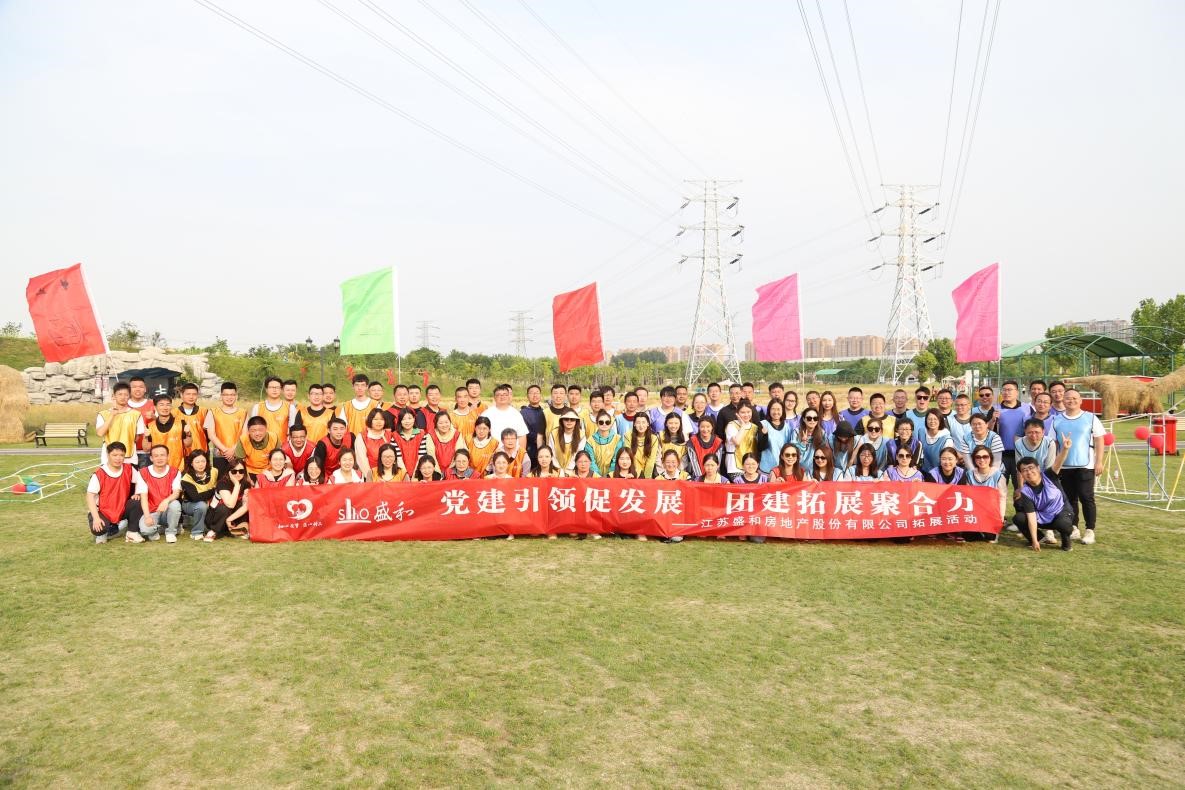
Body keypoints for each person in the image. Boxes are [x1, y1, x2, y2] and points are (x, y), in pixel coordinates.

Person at [1052, 388, 1105, 545]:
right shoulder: (1057, 420)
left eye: (1075, 398)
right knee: (1069, 499)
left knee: (1086, 497)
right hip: (1064, 466)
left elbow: (1099, 440)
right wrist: (1054, 465)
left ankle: (1090, 530)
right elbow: (1053, 443)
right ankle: (1073, 527)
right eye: (1068, 398)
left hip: (1086, 465)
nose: (1071, 401)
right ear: (1063, 400)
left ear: (1081, 400)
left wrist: (1099, 461)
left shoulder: (1091, 418)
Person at [1014, 451, 1075, 552]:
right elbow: (1031, 516)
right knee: (1019, 518)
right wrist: (1034, 540)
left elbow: (1058, 462)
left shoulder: (1049, 475)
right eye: (1024, 470)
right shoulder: (1025, 491)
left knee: (1063, 524)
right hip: (1042, 517)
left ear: (1038, 468)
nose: (1029, 472)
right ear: (1021, 474)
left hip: (1060, 513)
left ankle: (1066, 541)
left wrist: (1065, 448)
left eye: (1031, 468)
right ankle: (1039, 539)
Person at [86, 441, 135, 543]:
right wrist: (96, 518)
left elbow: (141, 484)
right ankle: (104, 530)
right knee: (99, 529)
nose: (118, 458)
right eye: (115, 455)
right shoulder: (99, 473)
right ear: (108, 455)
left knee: (137, 502)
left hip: (121, 508)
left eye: (121, 455)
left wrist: (137, 493)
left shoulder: (129, 468)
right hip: (103, 510)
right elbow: (90, 496)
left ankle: (129, 528)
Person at [133, 445, 183, 543]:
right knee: (145, 530)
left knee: (175, 504)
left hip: (167, 510)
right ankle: (158, 529)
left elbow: (176, 493)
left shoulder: (175, 472)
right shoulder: (143, 472)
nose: (159, 458)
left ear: (168, 457)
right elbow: (144, 497)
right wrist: (147, 516)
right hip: (152, 511)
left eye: (162, 455)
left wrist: (166, 501)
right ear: (151, 458)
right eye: (156, 456)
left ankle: (171, 532)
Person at [96, 381, 147, 468]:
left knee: (130, 477)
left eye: (126, 395)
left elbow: (137, 437)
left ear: (129, 396)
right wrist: (112, 415)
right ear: (113, 396)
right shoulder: (103, 414)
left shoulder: (136, 414)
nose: (123, 397)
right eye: (120, 394)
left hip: (130, 458)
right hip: (108, 457)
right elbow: (100, 433)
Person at [996, 380, 1033, 488]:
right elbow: (988, 430)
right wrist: (993, 420)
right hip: (1002, 455)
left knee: (1022, 488)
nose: (1006, 392)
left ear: (1017, 392)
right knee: (1000, 487)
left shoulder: (1027, 408)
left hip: (1022, 454)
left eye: (1009, 390)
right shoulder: (995, 408)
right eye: (1004, 390)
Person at [204, 382, 247, 475]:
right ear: (221, 396)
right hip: (219, 454)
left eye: (232, 395)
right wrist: (225, 450)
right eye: (226, 395)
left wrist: (233, 450)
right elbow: (211, 435)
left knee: (239, 479)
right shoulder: (213, 412)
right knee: (221, 480)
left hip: (238, 453)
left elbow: (245, 434)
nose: (229, 397)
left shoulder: (243, 413)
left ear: (236, 396)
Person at [967, 445, 1008, 537]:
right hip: (975, 511)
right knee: (969, 536)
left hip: (992, 512)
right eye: (978, 457)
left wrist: (1001, 516)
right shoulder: (969, 474)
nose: (981, 460)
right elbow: (967, 497)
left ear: (990, 458)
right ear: (974, 459)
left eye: (985, 457)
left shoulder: (998, 475)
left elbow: (1002, 497)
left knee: (990, 538)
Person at [203, 461, 251, 540]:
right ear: (229, 472)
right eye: (234, 471)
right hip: (214, 517)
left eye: (241, 471)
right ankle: (213, 530)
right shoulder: (222, 483)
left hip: (230, 517)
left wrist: (230, 519)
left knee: (244, 503)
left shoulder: (245, 483)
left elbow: (247, 505)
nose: (238, 474)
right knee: (224, 507)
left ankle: (238, 528)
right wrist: (236, 485)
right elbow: (230, 504)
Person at [179, 450, 218, 540]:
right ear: (191, 463)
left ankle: (217, 529)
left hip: (211, 501)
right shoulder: (186, 477)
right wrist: (213, 490)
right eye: (197, 462)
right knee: (201, 505)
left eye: (203, 461)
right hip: (190, 504)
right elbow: (196, 497)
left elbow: (220, 487)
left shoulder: (214, 471)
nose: (200, 464)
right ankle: (197, 532)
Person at [146, 393, 188, 471]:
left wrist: (188, 434)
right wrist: (146, 437)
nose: (165, 408)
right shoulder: (150, 426)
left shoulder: (181, 423)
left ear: (171, 406)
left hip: (179, 467)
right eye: (161, 405)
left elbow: (188, 444)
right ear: (155, 407)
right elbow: (146, 449)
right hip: (158, 468)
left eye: (168, 405)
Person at [250, 376, 295, 443]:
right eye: (271, 387)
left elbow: (293, 431)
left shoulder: (290, 407)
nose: (274, 390)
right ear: (266, 389)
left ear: (281, 389)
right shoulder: (258, 407)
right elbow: (253, 430)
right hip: (262, 446)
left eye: (277, 387)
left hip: (282, 446)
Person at [485, 384, 529, 448]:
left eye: (505, 394)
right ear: (494, 397)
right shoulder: (486, 414)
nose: (502, 397)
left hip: (513, 452)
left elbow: (522, 435)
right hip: (491, 451)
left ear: (508, 396)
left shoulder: (516, 414)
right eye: (499, 395)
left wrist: (521, 453)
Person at [390, 408, 431, 476]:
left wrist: (415, 475)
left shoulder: (421, 434)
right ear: (400, 421)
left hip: (419, 471)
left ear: (414, 419)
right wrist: (405, 475)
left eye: (409, 418)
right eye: (404, 419)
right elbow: (398, 459)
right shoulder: (395, 435)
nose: (407, 421)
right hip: (400, 472)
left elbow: (421, 456)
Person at [126, 376, 156, 467]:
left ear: (145, 389)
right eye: (134, 387)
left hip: (148, 451)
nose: (137, 389)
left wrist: (154, 417)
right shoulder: (123, 405)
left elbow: (164, 424)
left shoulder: (153, 405)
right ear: (129, 389)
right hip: (128, 451)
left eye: (141, 387)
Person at [758, 399, 793, 474]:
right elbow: (760, 447)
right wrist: (765, 435)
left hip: (783, 468)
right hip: (766, 469)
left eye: (778, 409)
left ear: (783, 410)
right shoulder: (763, 424)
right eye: (773, 409)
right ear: (769, 410)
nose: (776, 412)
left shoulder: (787, 427)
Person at [724, 402, 759, 476]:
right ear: (737, 413)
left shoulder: (755, 427)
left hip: (750, 466)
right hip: (734, 466)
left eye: (748, 412)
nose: (746, 415)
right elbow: (737, 442)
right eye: (743, 412)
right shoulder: (731, 425)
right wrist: (743, 426)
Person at [175, 382, 209, 457]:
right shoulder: (174, 413)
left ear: (197, 395)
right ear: (181, 395)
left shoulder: (204, 411)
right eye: (188, 394)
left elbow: (209, 434)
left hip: (201, 452)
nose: (191, 397)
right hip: (181, 454)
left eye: (194, 394)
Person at [584, 410, 623, 476]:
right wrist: (598, 476)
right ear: (597, 423)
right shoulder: (590, 441)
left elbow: (616, 460)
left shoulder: (618, 439)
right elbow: (591, 461)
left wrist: (609, 476)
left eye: (607, 422)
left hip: (613, 475)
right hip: (594, 476)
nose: (604, 424)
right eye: (601, 422)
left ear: (610, 424)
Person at [355, 408, 393, 476]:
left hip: (389, 475)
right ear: (370, 420)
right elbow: (362, 460)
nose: (379, 422)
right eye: (375, 419)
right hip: (369, 475)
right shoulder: (362, 437)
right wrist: (371, 476)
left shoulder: (390, 435)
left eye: (382, 419)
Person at [918, 409, 954, 474]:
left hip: (940, 473)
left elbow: (947, 460)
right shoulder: (921, 432)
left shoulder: (946, 439)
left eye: (935, 419)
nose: (932, 421)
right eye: (929, 419)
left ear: (940, 421)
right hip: (923, 471)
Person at [520, 384, 546, 472]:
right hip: (530, 451)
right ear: (527, 396)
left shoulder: (545, 412)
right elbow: (524, 431)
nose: (535, 395)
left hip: (544, 451)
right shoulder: (523, 413)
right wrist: (539, 439)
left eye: (537, 393)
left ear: (540, 395)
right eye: (532, 393)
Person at [625, 412, 658, 478]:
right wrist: (636, 474)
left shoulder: (653, 438)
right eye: (638, 422)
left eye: (643, 422)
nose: (641, 425)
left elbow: (651, 461)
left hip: (648, 473)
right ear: (634, 424)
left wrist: (646, 478)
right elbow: (629, 456)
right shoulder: (628, 436)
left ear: (648, 424)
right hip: (633, 473)